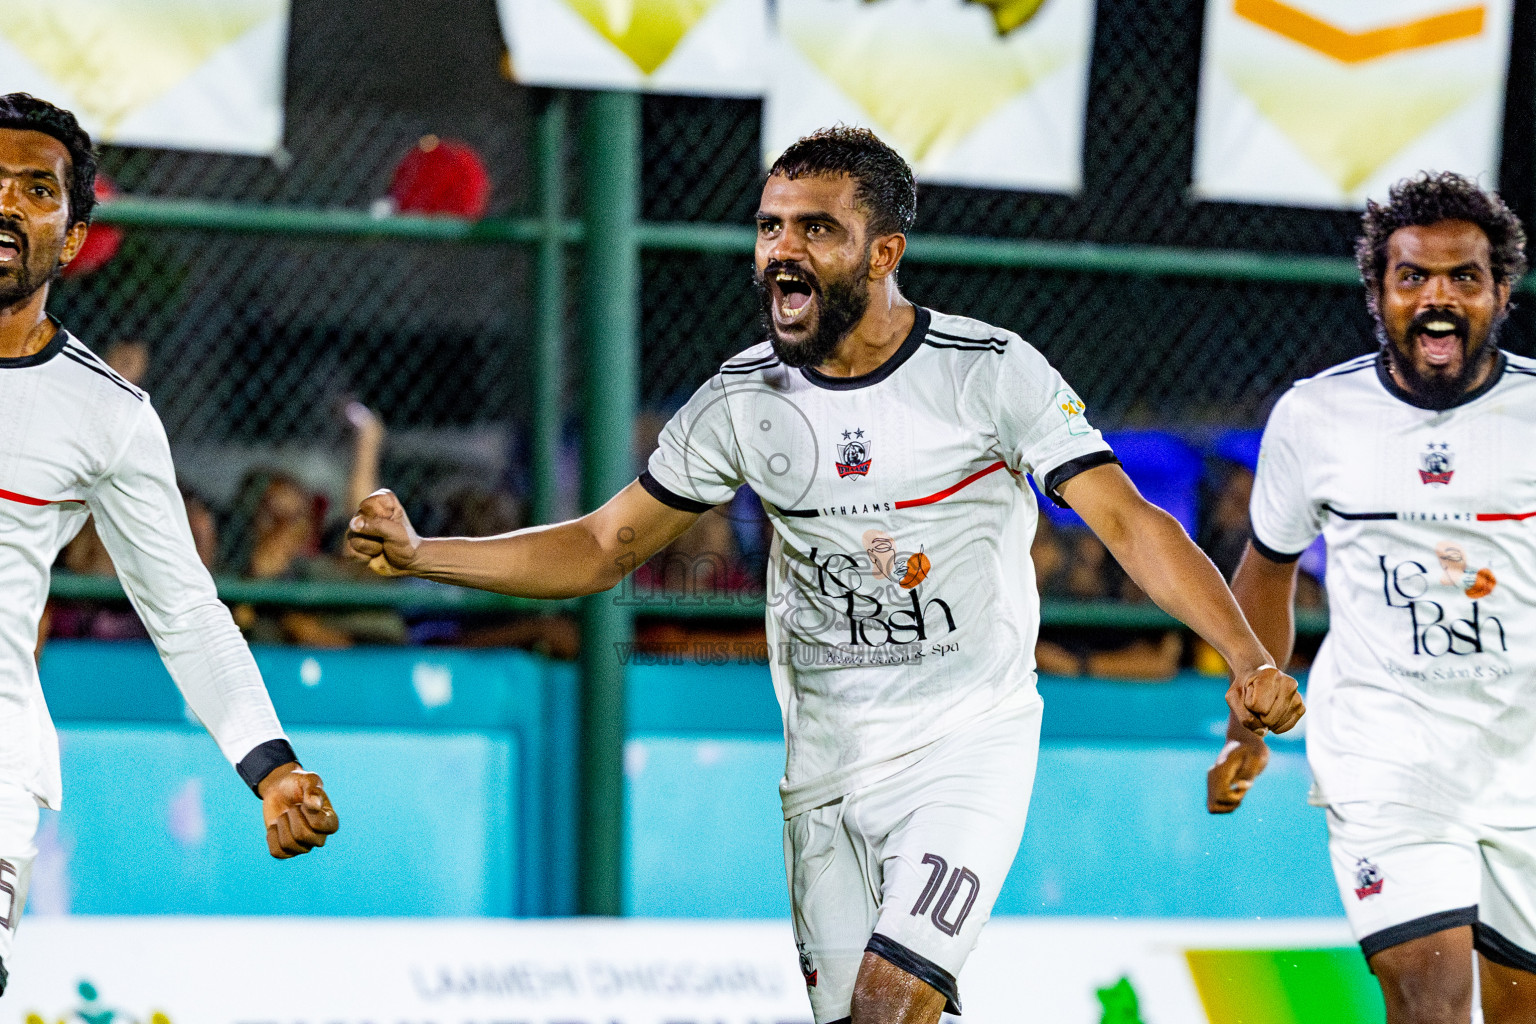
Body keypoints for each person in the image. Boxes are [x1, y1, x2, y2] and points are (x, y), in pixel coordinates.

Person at [349, 127, 1302, 1024]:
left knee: (890, 1004)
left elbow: (1131, 525)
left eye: (817, 228)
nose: (782, 249)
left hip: (965, 751)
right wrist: (422, 554)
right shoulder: (740, 398)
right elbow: (604, 547)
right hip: (823, 776)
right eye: (771, 227)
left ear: (883, 253)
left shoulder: (989, 372)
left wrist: (1245, 655)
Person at [0, 93, 338, 990]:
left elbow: (186, 610)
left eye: (36, 188)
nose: (6, 202)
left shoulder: (106, 413)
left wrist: (270, 766)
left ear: (70, 238)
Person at [1206, 171, 1536, 1023]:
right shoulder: (1318, 417)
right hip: (1385, 756)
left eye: (1464, 277)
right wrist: (1245, 723)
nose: (1438, 296)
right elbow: (1268, 569)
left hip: (1523, 762)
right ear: (1377, 293)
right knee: (1428, 998)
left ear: (1502, 293)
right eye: (1413, 276)